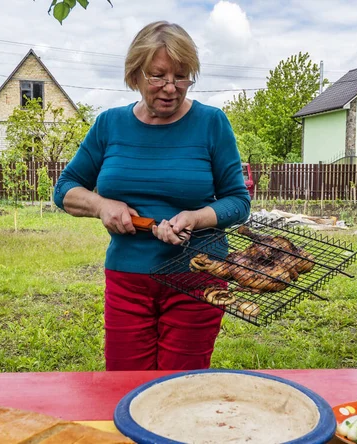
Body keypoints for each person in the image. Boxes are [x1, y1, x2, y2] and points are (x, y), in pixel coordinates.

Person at [53, 21, 251, 371]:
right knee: (125, 385)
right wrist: (101, 205)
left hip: (197, 276)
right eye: (158, 76)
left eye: (182, 76)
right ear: (135, 75)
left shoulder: (212, 123)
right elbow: (65, 188)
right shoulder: (108, 124)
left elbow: (238, 202)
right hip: (128, 280)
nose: (171, 88)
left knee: (180, 390)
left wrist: (195, 217)